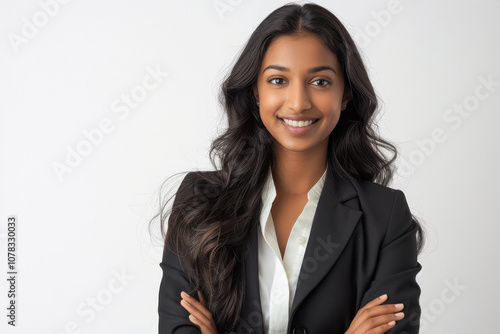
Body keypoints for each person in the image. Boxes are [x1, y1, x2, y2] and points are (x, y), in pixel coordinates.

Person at [156, 3, 424, 333]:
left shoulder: (385, 216)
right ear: (255, 91)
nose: (298, 102)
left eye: (321, 82)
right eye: (279, 80)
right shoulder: (199, 201)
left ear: (346, 95)